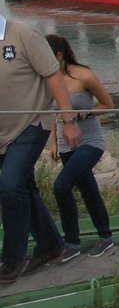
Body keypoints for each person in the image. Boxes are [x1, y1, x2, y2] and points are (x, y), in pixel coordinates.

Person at [0, 17, 80, 284]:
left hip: (31, 123)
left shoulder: (24, 34)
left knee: (10, 185)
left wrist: (69, 121)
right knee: (23, 186)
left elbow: (54, 76)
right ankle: (50, 247)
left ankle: (12, 260)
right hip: (2, 129)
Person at [45, 35, 114, 261]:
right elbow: (56, 113)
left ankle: (71, 242)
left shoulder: (83, 75)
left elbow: (108, 104)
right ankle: (105, 236)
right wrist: (54, 142)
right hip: (66, 144)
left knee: (61, 187)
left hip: (90, 141)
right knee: (88, 190)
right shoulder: (48, 78)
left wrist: (85, 113)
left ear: (59, 55)